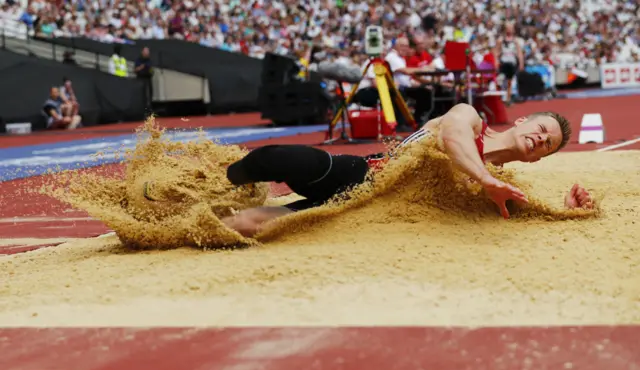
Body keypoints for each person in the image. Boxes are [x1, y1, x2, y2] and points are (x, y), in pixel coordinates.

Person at [144, 104, 593, 237]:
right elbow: (455, 136)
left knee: (247, 227)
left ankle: (168, 225)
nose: (540, 138)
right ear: (521, 122)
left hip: (358, 212)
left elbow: (525, 211)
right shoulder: (470, 116)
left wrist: (570, 211)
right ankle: (199, 183)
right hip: (358, 175)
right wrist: (484, 179)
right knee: (276, 158)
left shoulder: (503, 186)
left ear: (539, 157)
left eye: (547, 144)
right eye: (541, 129)